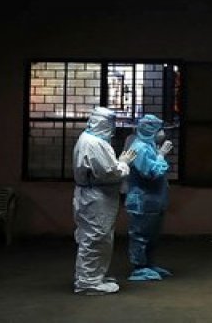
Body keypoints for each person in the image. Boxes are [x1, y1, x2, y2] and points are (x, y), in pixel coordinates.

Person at [73, 106, 137, 295]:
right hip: (96, 197)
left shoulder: (91, 139)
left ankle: (94, 276)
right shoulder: (93, 144)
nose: (113, 128)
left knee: (98, 238)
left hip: (95, 196)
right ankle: (88, 283)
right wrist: (123, 163)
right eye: (112, 123)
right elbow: (110, 172)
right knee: (95, 238)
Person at [125, 114, 175, 281]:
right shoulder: (140, 148)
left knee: (152, 235)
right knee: (140, 235)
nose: (162, 133)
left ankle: (149, 264)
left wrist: (158, 153)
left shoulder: (149, 145)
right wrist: (161, 155)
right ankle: (139, 268)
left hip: (153, 200)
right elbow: (151, 173)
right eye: (160, 129)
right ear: (150, 130)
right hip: (142, 200)